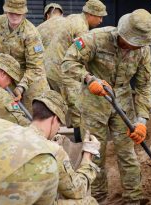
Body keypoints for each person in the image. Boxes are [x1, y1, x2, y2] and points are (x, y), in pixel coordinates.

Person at [61, 9, 151, 204]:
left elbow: (145, 86)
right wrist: (89, 79)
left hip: (123, 102)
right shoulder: (96, 38)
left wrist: (142, 120)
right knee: (95, 154)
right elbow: (68, 62)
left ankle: (134, 199)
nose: (135, 47)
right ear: (124, 33)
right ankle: (97, 199)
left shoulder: (144, 50)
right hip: (94, 100)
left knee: (128, 154)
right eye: (133, 42)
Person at [44, 0, 107, 139]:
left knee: (61, 104)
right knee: (79, 107)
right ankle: (80, 144)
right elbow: (82, 55)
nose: (101, 20)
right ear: (90, 14)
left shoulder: (74, 17)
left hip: (51, 67)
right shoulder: (81, 28)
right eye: (100, 16)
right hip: (62, 69)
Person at [0, 0, 49, 111]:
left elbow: (35, 68)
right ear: (6, 11)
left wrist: (21, 87)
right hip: (8, 76)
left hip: (31, 79)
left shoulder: (31, 34)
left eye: (18, 14)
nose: (15, 17)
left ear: (24, 13)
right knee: (9, 113)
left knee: (34, 116)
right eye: (11, 13)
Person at [32, 90, 100, 204]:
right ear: (54, 119)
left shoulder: (11, 134)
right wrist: (88, 155)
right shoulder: (52, 150)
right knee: (89, 202)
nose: (58, 129)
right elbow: (77, 190)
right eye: (59, 124)